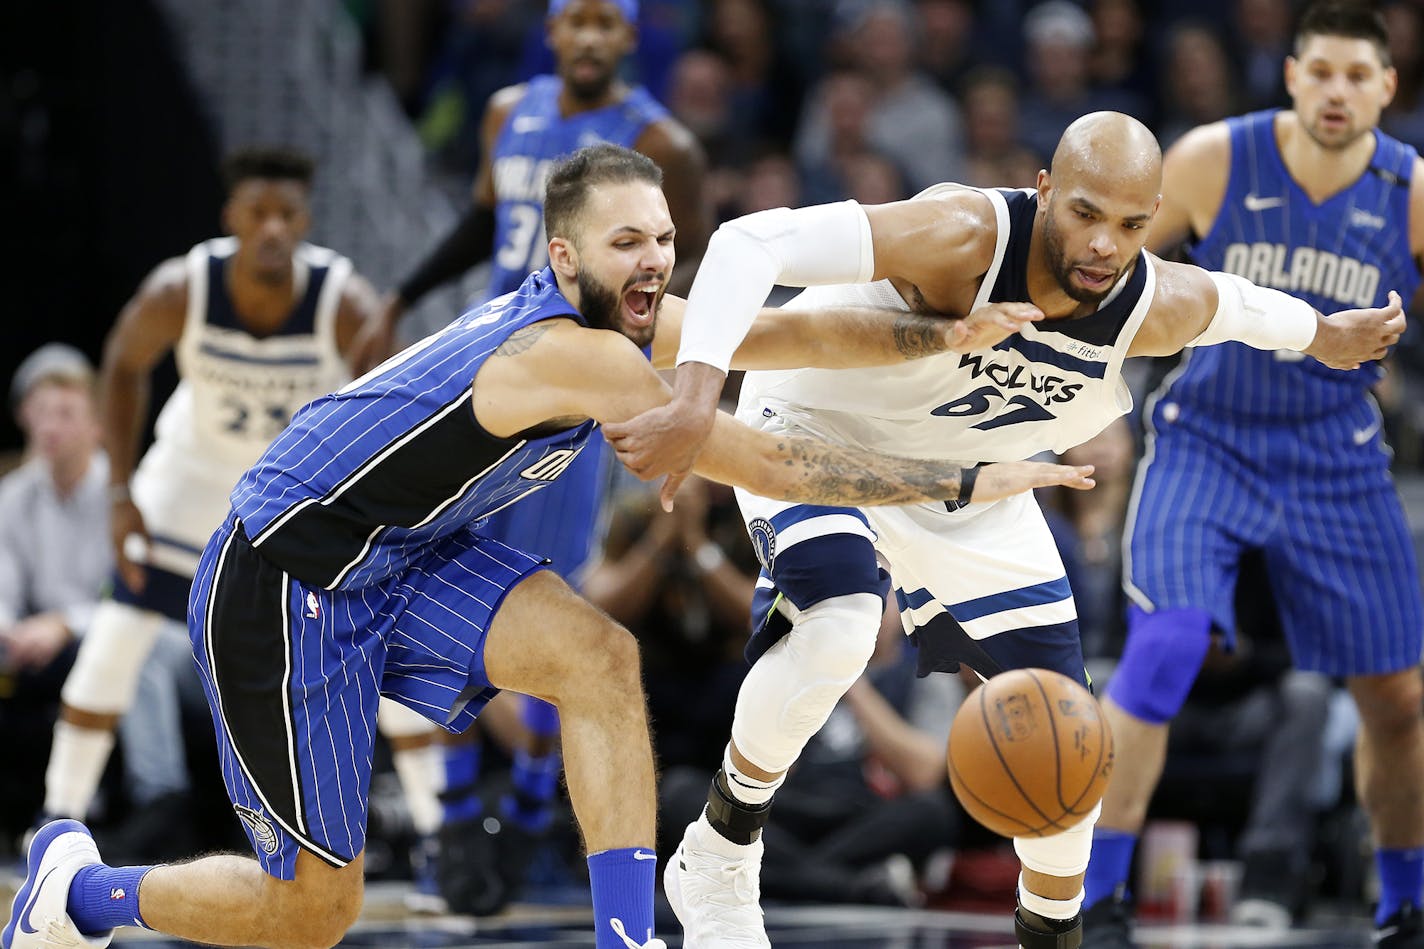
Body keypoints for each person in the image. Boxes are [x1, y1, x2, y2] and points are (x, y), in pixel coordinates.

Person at [4, 143, 1097, 949]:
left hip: (400, 553)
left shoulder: (620, 323)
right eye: (629, 242)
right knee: (312, 910)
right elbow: (772, 465)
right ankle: (80, 891)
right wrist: (959, 478)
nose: (657, 261)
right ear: (564, 253)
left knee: (598, 660)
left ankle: (627, 939)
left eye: (666, 239)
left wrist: (940, 335)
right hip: (283, 572)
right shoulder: (571, 356)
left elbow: (790, 331)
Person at [600, 111, 1405, 949]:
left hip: (970, 486)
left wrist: (1325, 334)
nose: (1104, 244)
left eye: (1132, 224)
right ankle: (721, 855)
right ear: (1046, 189)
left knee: (1066, 735)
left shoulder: (1150, 303)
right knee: (838, 627)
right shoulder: (960, 235)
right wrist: (697, 399)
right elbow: (745, 243)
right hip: (815, 428)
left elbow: (1240, 305)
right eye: (1086, 213)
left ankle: (1053, 932)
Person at [1081, 5, 1424, 947]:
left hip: (1334, 455)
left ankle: (1404, 908)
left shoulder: (1413, 191)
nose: (1337, 91)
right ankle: (1097, 900)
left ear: (1387, 88)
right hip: (1209, 440)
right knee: (1164, 647)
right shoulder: (1210, 160)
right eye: (1321, 72)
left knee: (1396, 698)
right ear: (1291, 75)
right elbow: (1111, 291)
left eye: (1358, 74)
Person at [27, 147, 452, 873]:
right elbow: (123, 364)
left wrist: (382, 512)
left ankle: (437, 828)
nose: (273, 228)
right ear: (232, 218)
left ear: (306, 221)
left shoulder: (341, 298)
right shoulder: (181, 287)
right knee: (112, 649)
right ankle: (56, 821)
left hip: (291, 494)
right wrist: (123, 493)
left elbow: (399, 399)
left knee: (381, 653)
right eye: (259, 213)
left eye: (287, 214)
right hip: (187, 486)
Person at [376, 1, 713, 910]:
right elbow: (481, 224)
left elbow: (693, 289)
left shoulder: (661, 145)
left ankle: (528, 818)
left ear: (631, 38)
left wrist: (678, 392)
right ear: (554, 32)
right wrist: (401, 294)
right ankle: (452, 823)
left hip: (581, 396)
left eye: (610, 22)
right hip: (496, 384)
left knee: (552, 612)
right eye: (578, 20)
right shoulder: (502, 113)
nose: (592, 37)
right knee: (436, 577)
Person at [0, 346, 110, 844]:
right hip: (28, 642)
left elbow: (127, 599)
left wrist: (65, 622)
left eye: (64, 414)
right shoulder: (14, 497)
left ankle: (97, 806)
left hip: (99, 639)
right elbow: (5, 585)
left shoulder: (124, 494)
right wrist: (8, 626)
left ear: (96, 424)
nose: (49, 427)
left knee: (107, 657)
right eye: (40, 412)